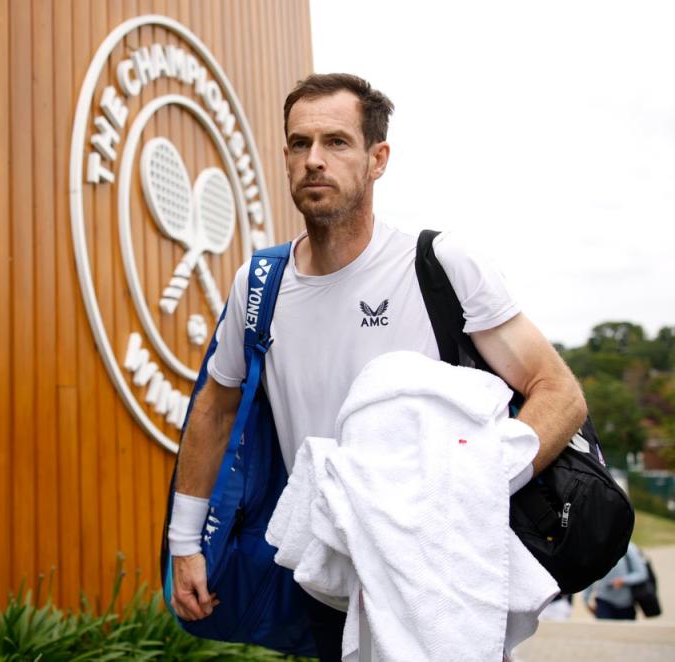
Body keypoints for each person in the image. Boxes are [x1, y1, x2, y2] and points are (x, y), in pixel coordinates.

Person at [167, 73, 588, 661]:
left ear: (377, 158)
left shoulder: (439, 265)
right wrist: (185, 543)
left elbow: (559, 393)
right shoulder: (258, 284)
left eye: (336, 142)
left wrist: (474, 483)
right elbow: (215, 408)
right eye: (299, 143)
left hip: (438, 577)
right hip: (323, 575)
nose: (314, 160)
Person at [583, 541, 648, 620]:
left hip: (626, 603)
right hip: (604, 600)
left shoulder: (629, 547)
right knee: (604, 630)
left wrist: (623, 581)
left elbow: (641, 573)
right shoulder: (597, 547)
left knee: (624, 631)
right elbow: (590, 574)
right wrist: (586, 599)